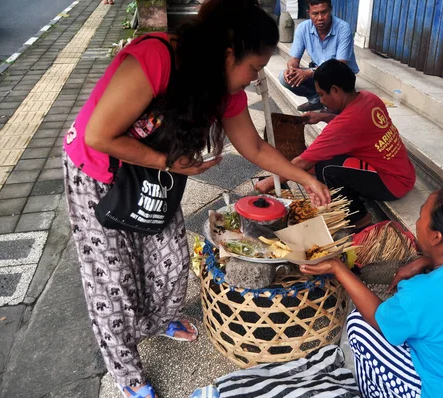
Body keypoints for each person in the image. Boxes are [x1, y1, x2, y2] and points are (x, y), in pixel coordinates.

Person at [62, 1, 330, 397]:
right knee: (112, 280)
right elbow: (99, 136)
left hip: (155, 173)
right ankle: (128, 376)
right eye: (253, 68)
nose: (256, 78)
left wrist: (302, 176)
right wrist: (167, 162)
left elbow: (253, 145)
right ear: (227, 55)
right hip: (98, 172)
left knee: (170, 259)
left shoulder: (224, 88)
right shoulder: (157, 57)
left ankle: (154, 320)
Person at [301, 185, 443, 398]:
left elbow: (378, 319)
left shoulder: (424, 292)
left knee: (358, 325)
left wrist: (338, 269)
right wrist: (426, 260)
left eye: (420, 216)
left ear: (436, 237)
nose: (416, 222)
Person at [258, 59, 415, 231]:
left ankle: (358, 217)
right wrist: (323, 116)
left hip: (392, 183)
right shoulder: (369, 98)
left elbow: (303, 162)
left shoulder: (342, 127)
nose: (321, 100)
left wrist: (269, 182)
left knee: (325, 168)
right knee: (327, 159)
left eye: (321, 94)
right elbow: (356, 126)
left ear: (335, 90)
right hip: (403, 171)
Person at [279, 0, 359, 112]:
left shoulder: (343, 28)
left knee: (332, 80)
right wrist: (292, 69)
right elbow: (294, 59)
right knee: (283, 78)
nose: (320, 17)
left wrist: (309, 72)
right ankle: (316, 99)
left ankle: (333, 106)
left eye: (324, 12)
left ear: (330, 9)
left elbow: (340, 65)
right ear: (308, 13)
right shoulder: (303, 28)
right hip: (320, 73)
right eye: (315, 14)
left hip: (341, 76)